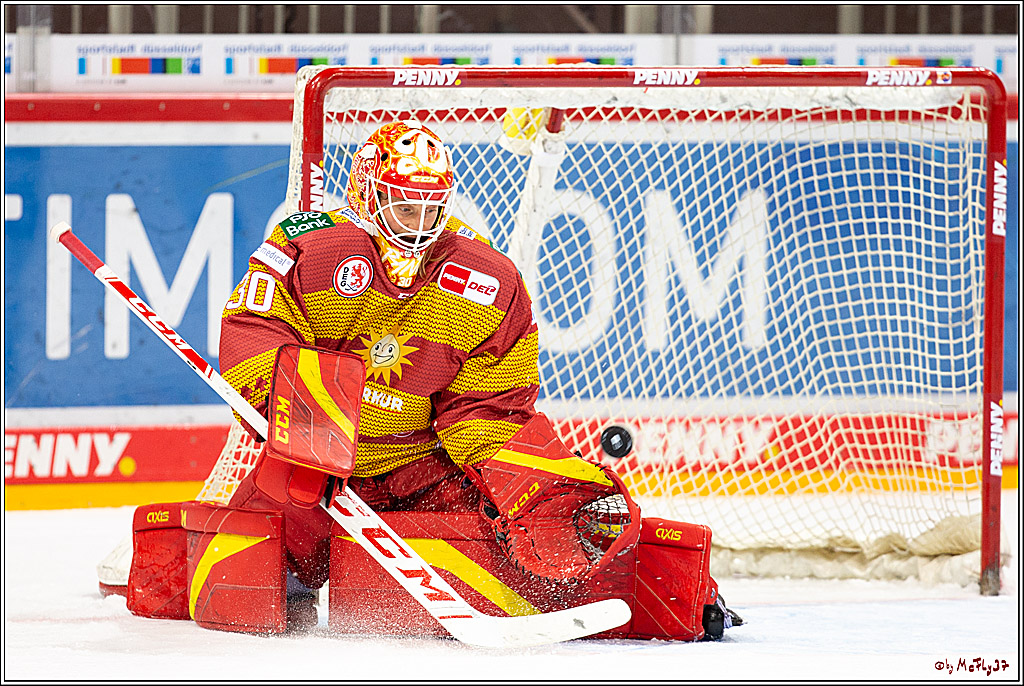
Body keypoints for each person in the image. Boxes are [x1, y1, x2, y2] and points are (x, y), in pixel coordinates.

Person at [218, 120, 630, 599]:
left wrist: (532, 486)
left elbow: (489, 408)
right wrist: (300, 420)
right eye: (404, 207)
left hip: (422, 472)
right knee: (236, 590)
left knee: (525, 562)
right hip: (310, 472)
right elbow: (254, 335)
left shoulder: (487, 279)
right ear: (369, 194)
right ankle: (292, 577)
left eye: (431, 208)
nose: (418, 224)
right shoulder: (312, 249)